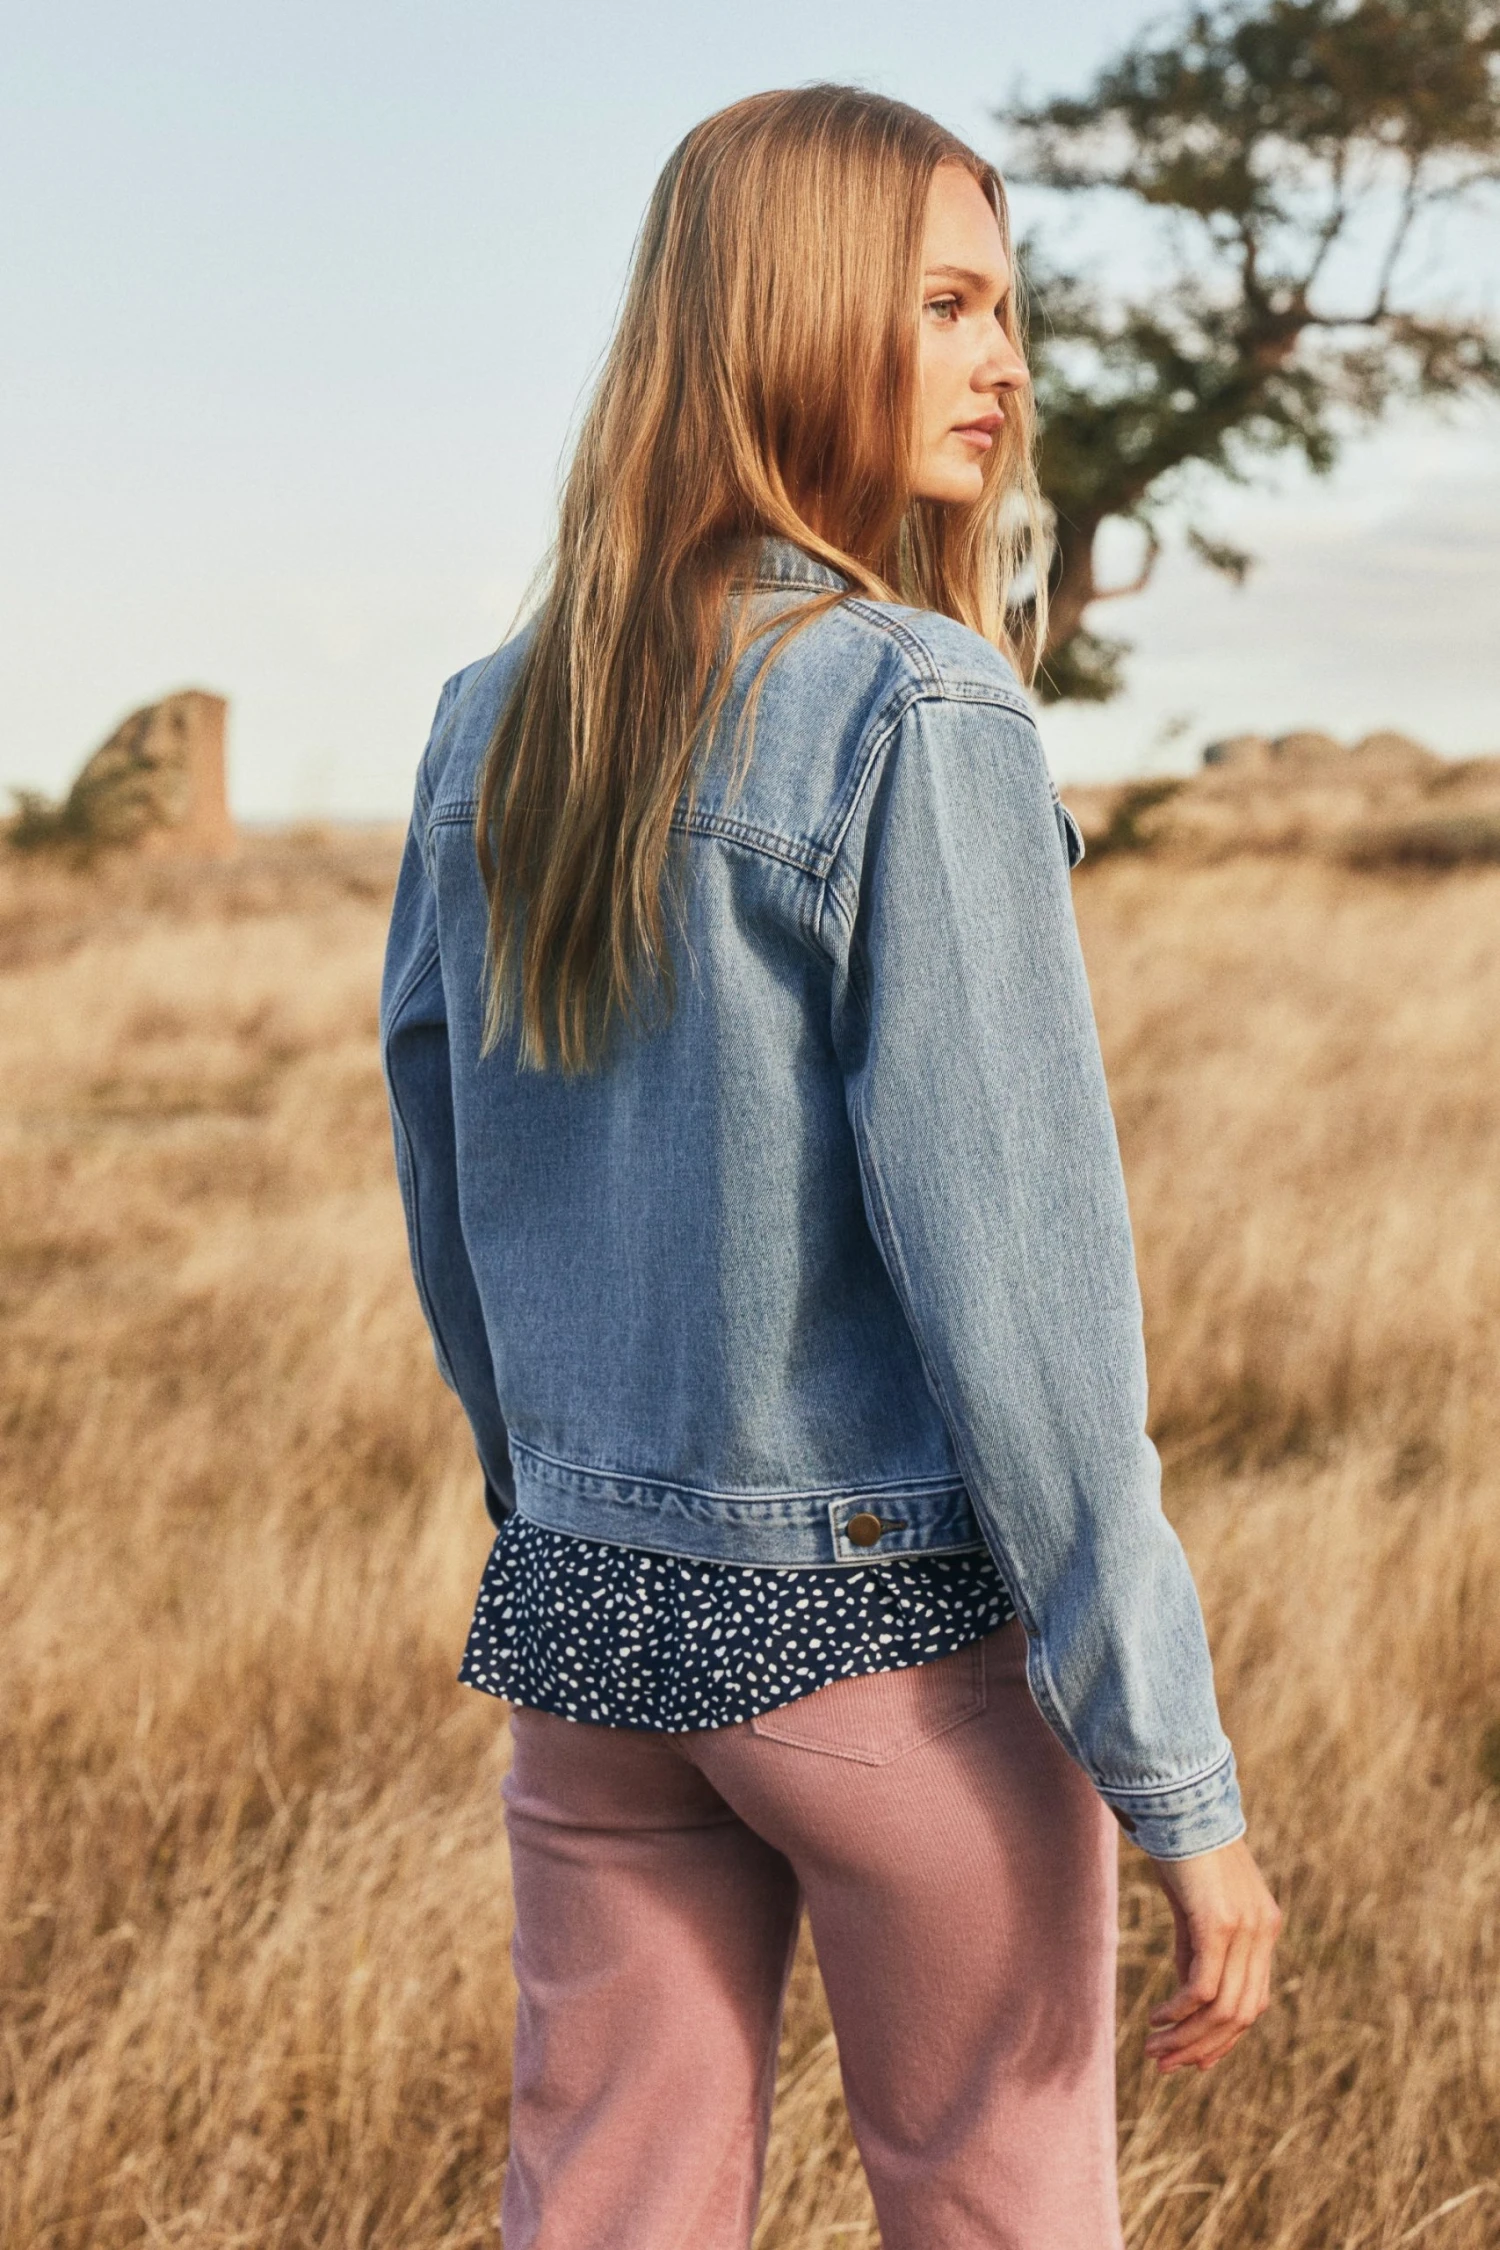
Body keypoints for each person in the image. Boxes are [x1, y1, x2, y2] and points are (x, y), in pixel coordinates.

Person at [381, 83, 1281, 2250]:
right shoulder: (916, 705)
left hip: (594, 1622)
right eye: (949, 306)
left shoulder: (493, 717)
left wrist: (566, 1504)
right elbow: (1026, 1306)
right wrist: (1177, 1777)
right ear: (790, 316)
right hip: (884, 1643)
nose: (1005, 368)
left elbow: (445, 1180)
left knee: (605, 2212)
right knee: (998, 2207)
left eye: (1009, 313)